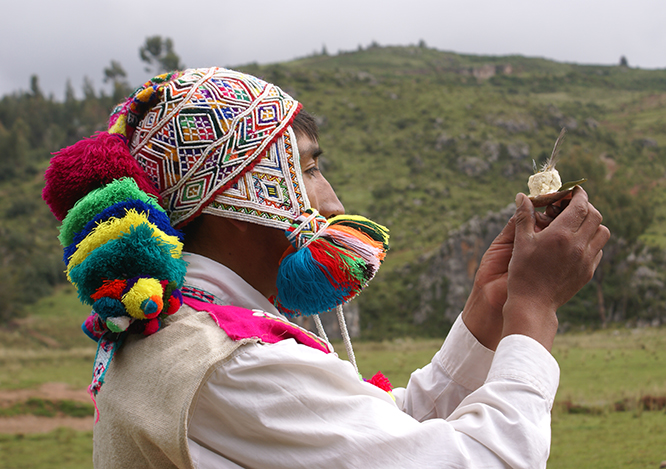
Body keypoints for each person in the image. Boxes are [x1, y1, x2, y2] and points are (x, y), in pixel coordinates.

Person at [43, 67, 609, 468]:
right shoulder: (232, 365)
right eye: (308, 171)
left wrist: (490, 312)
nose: (333, 203)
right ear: (244, 197)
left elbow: (381, 439)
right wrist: (533, 309)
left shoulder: (186, 335)